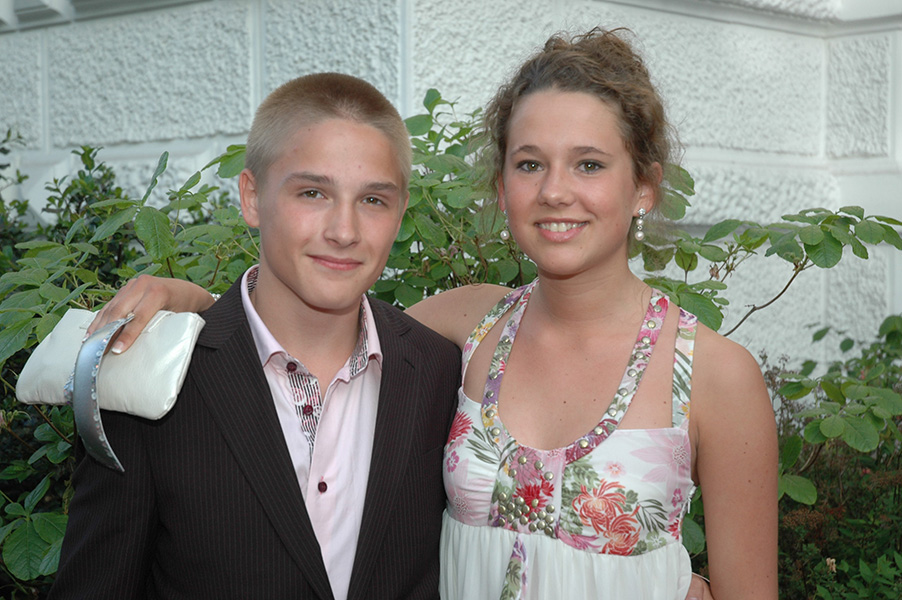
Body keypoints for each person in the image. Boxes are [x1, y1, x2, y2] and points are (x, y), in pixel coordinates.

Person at [86, 29, 771, 599]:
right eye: (530, 164)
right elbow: (307, 328)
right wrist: (193, 305)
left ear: (644, 185)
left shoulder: (715, 375)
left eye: (589, 164)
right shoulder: (467, 327)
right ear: (501, 187)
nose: (556, 191)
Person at [49, 72, 461, 600]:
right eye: (312, 192)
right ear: (251, 196)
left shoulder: (437, 369)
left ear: (400, 213)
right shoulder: (150, 379)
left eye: (373, 200)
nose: (344, 231)